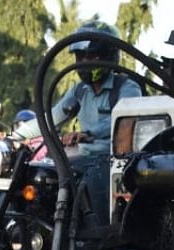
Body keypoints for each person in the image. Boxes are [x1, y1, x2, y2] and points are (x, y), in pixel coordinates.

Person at [14, 21, 141, 223]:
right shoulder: (80, 90)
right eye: (81, 56)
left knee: (94, 177)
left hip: (114, 161)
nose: (84, 61)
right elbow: (53, 117)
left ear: (109, 56)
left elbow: (122, 121)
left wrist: (87, 133)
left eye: (92, 56)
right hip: (85, 158)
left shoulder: (127, 87)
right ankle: (43, 233)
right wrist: (14, 136)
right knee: (43, 176)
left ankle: (100, 237)